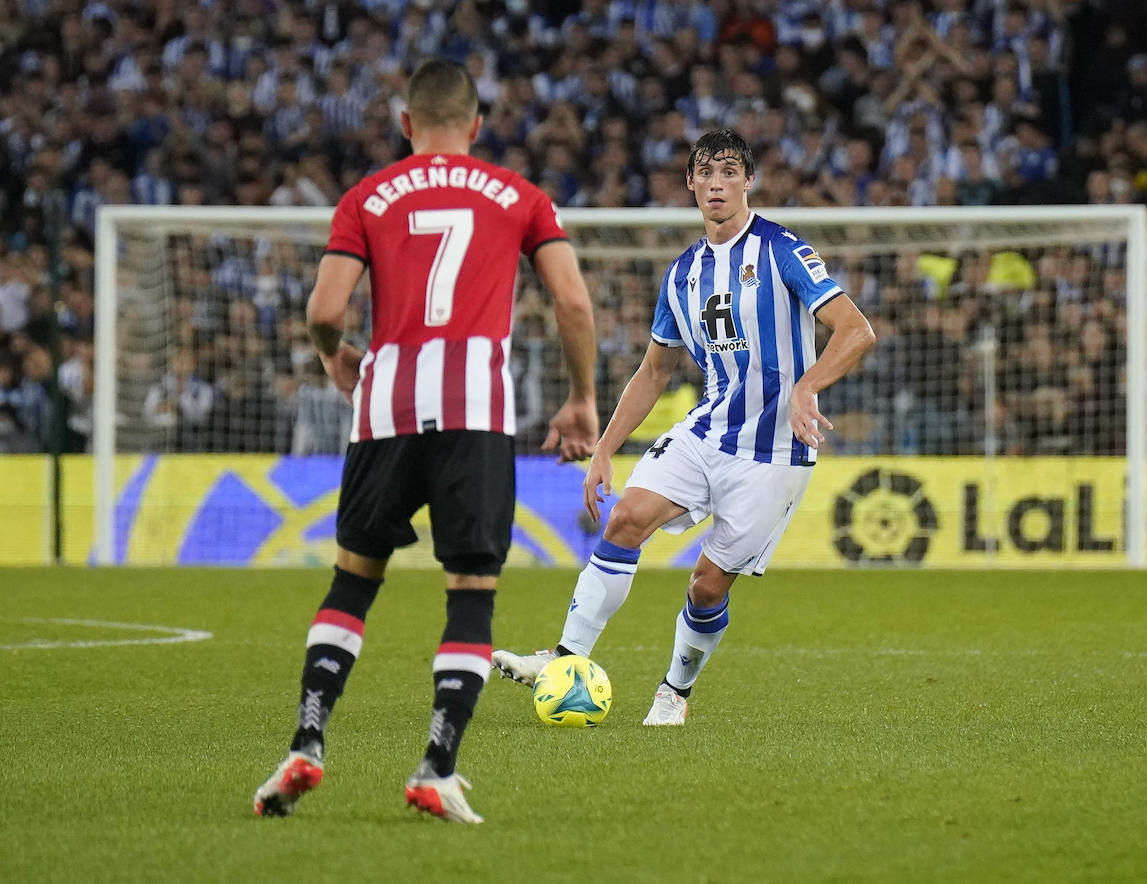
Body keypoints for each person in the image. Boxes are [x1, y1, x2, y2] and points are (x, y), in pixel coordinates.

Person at [252, 59, 598, 824]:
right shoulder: (521, 196)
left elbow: (325, 307)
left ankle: (306, 743)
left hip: (385, 404)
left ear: (406, 124)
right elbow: (572, 300)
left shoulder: (367, 197)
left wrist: (330, 355)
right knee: (470, 592)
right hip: (474, 407)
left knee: (353, 581)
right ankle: (436, 767)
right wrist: (579, 398)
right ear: (477, 126)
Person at [491, 129, 875, 725]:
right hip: (707, 433)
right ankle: (564, 657)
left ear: (748, 182)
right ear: (691, 183)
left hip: (773, 453)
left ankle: (675, 691)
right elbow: (653, 370)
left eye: (729, 171)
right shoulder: (683, 272)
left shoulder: (781, 250)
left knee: (706, 587)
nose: (717, 182)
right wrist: (603, 450)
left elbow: (856, 330)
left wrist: (807, 386)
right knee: (625, 519)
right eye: (705, 171)